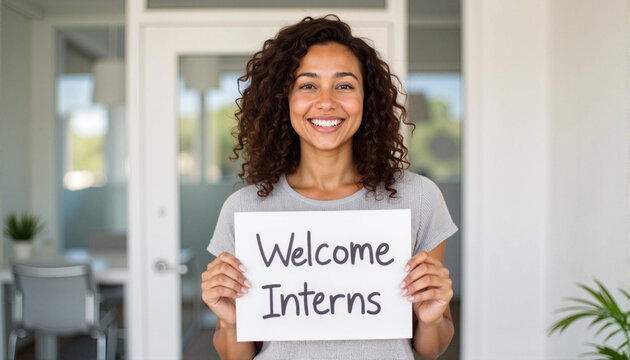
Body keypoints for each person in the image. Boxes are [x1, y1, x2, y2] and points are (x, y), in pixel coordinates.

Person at [201, 15, 457, 360]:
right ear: (284, 99)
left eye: (344, 85)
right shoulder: (244, 209)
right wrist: (232, 323)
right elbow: (236, 356)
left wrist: (431, 317)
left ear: (367, 99)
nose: (326, 101)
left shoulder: (419, 197)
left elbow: (432, 349)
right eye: (307, 85)